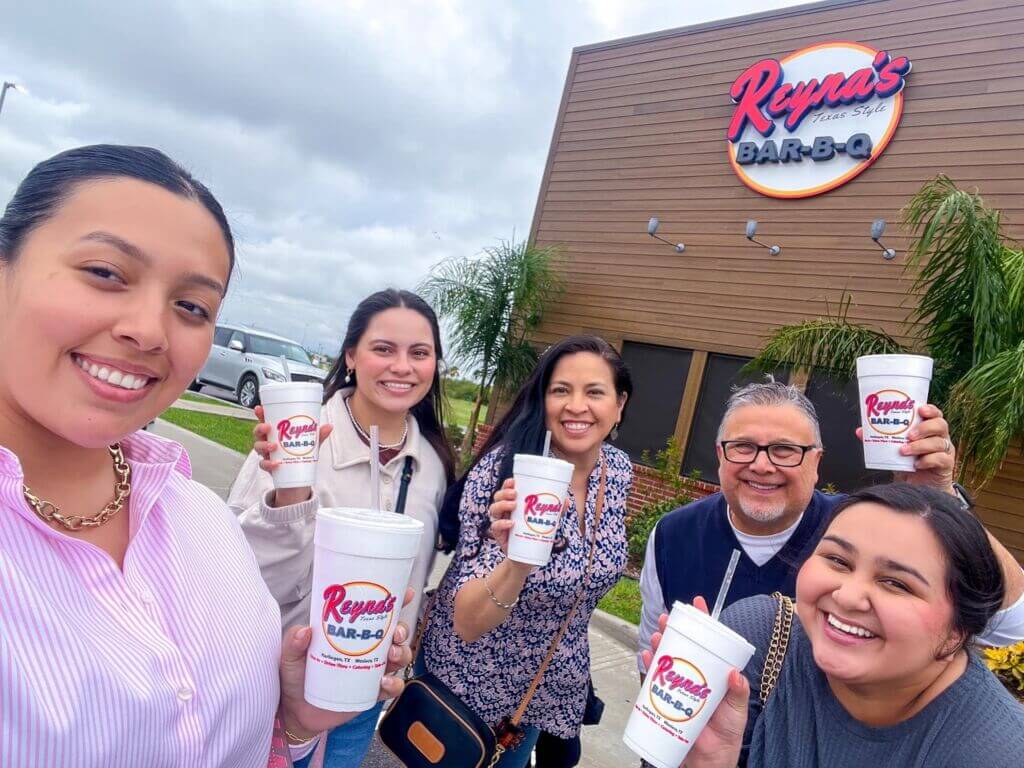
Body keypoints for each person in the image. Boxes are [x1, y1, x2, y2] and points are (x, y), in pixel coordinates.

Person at [0, 144, 410, 766]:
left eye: (192, 306)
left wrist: (296, 717)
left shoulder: (199, 517)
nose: (150, 330)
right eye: (106, 272)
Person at [638, 380, 1024, 669]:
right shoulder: (674, 536)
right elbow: (650, 654)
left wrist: (943, 502)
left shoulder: (862, 531)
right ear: (720, 455)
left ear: (817, 461)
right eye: (743, 446)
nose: (761, 465)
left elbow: (1012, 628)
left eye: (785, 449)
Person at [641, 484, 1024, 768]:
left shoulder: (997, 749)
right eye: (838, 560)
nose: (847, 595)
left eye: (896, 583)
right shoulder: (758, 636)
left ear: (958, 630)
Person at [229, 288, 455, 766]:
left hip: (361, 696)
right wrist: (291, 498)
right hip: (270, 689)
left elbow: (416, 581)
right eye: (383, 349)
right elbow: (238, 579)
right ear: (351, 356)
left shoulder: (433, 464)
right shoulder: (295, 446)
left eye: (419, 353)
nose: (402, 366)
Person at [422, 335, 633, 767]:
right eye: (561, 390)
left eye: (594, 392)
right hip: (467, 683)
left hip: (539, 689)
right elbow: (466, 622)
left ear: (619, 405)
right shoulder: (508, 472)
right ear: (543, 399)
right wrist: (516, 564)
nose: (577, 406)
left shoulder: (617, 471)